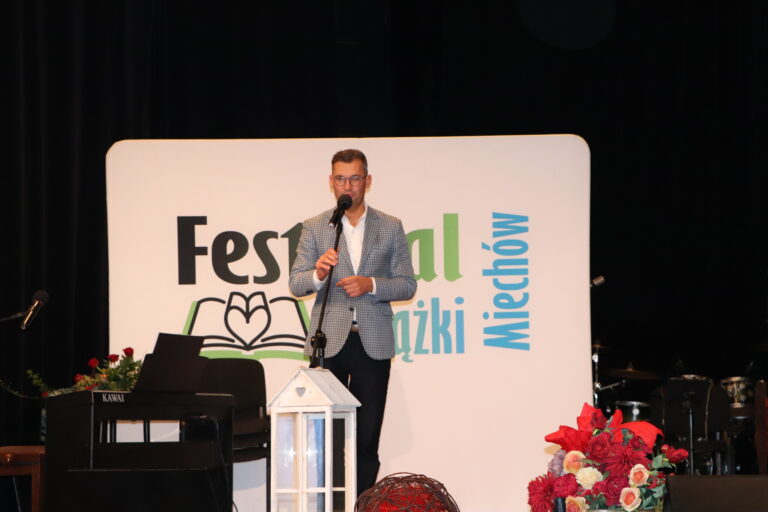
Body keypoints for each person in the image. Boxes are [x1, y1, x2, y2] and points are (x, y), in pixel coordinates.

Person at [289, 148, 417, 494]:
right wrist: (317, 273)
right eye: (341, 179)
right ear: (331, 182)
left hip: (371, 343)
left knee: (366, 439)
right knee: (325, 441)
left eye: (355, 178)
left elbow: (407, 284)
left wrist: (371, 284)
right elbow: (296, 283)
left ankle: (361, 504)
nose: (348, 186)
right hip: (328, 343)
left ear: (368, 181)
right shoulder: (316, 226)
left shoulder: (390, 226)